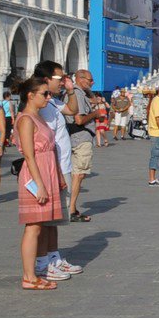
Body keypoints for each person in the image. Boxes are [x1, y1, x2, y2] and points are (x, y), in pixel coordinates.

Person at [12, 77, 62, 290]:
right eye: (44, 93)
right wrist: (39, 184)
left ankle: (34, 273)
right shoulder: (26, 120)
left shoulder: (38, 116)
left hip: (47, 171)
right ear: (30, 95)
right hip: (35, 174)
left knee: (40, 225)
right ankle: (29, 276)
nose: (48, 97)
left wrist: (57, 175)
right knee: (32, 226)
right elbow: (30, 156)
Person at [33, 61, 78, 279]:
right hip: (52, 167)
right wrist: (57, 173)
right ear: (46, 79)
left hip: (62, 165)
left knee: (54, 218)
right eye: (59, 78)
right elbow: (45, 143)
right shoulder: (39, 108)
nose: (62, 81)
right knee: (44, 219)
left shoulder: (52, 103)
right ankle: (42, 262)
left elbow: (72, 110)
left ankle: (53, 257)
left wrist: (70, 90)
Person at [64, 69, 97, 222]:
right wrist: (95, 115)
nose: (92, 83)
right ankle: (71, 209)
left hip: (73, 137)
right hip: (81, 137)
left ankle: (70, 207)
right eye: (90, 80)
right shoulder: (77, 94)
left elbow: (94, 99)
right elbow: (79, 120)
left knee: (76, 174)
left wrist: (89, 90)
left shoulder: (78, 93)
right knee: (78, 174)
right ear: (81, 79)